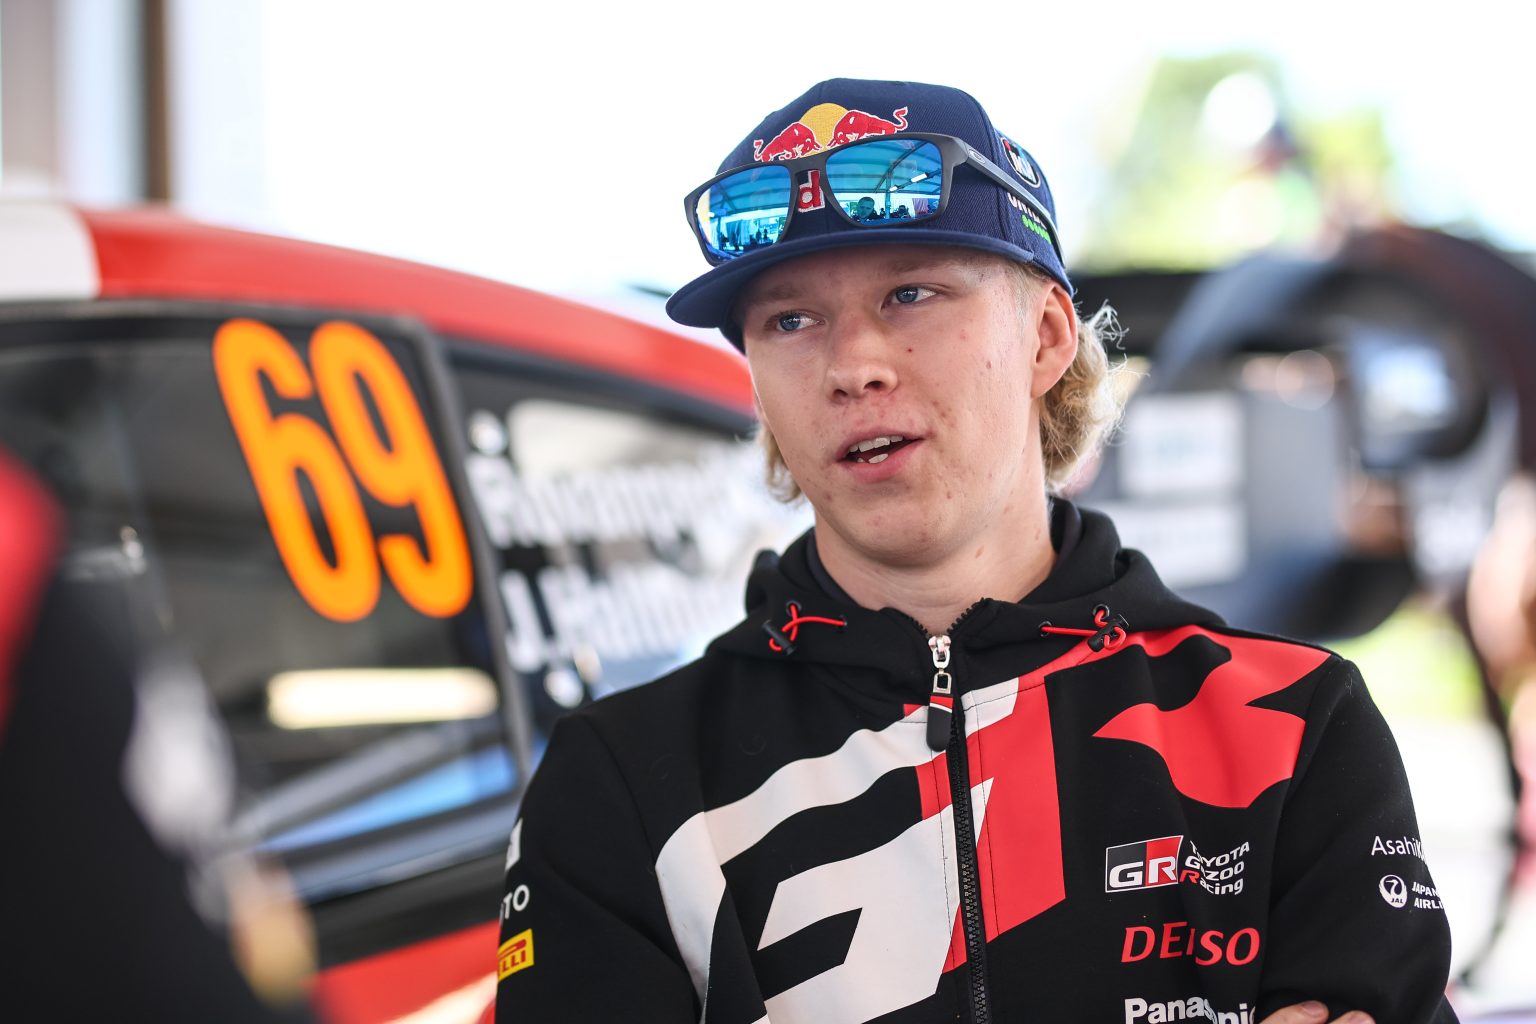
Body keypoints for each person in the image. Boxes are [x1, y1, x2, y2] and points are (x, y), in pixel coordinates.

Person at [494, 78, 1456, 1024]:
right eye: (790, 321)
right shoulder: (620, 781)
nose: (852, 365)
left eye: (911, 293)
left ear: (1046, 336)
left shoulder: (1292, 723)